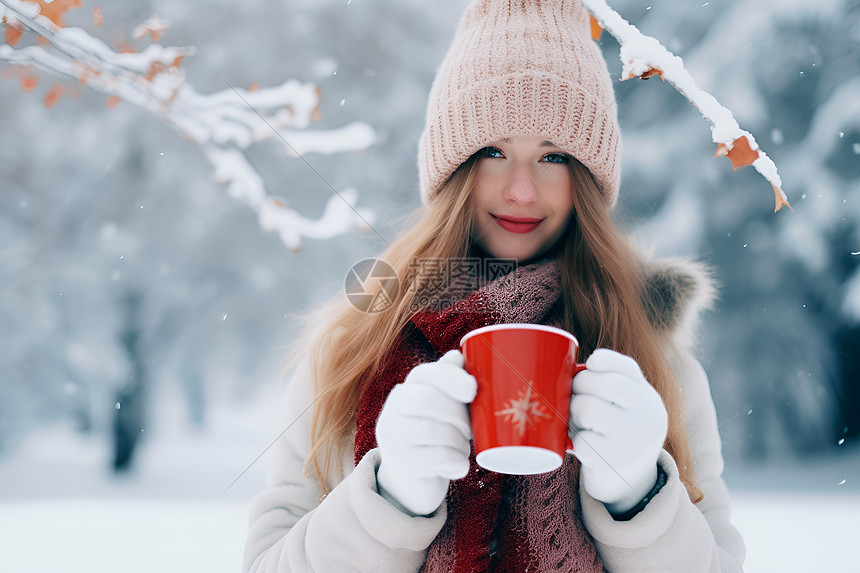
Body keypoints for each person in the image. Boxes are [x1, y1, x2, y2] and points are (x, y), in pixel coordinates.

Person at [242, 1, 746, 571]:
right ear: (453, 170)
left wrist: (639, 495)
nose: (523, 190)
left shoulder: (654, 360)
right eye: (493, 152)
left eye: (553, 156)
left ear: (587, 180)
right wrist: (390, 496)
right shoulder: (353, 351)